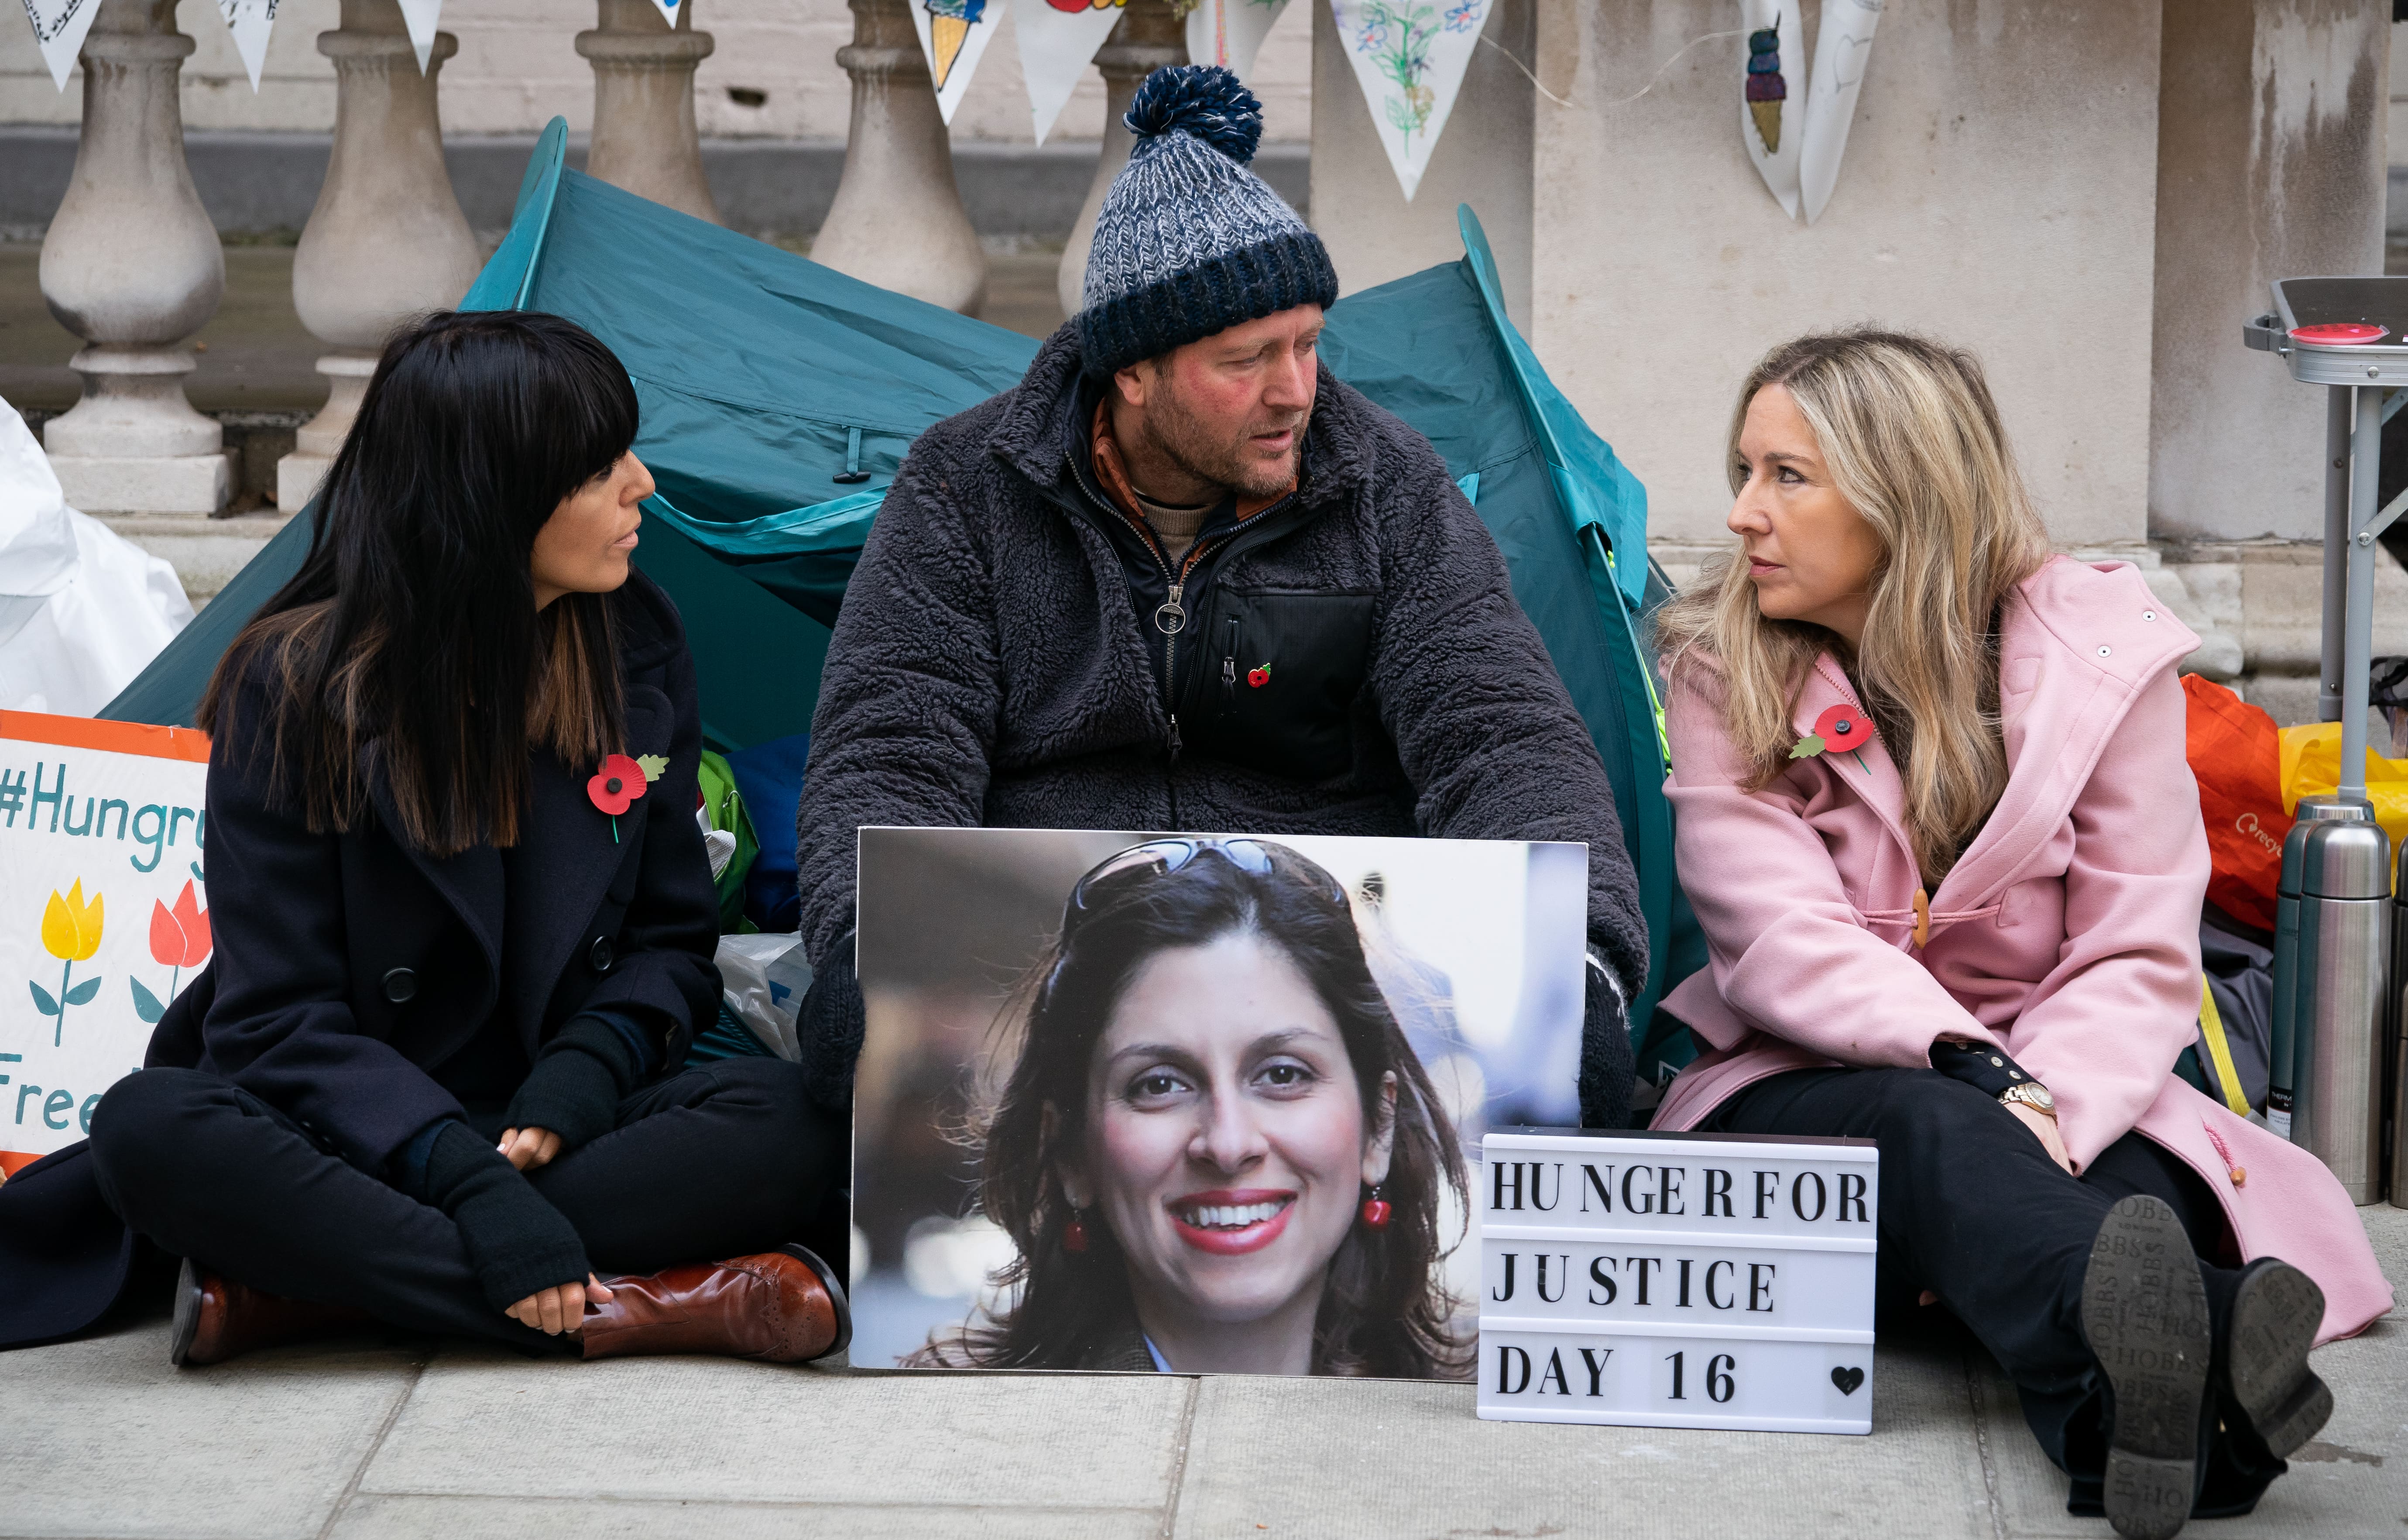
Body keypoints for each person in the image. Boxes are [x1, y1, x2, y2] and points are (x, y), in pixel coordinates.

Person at [791, 65, 1645, 1132]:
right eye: (1245, 360)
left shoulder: (1389, 485)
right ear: (1131, 373)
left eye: (1308, 342)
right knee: (778, 1137)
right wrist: (867, 944)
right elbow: (891, 746)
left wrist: (1582, 967)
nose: (1296, 390)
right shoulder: (966, 486)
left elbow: (1505, 739)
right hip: (1036, 979)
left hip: (1335, 981)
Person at [1648, 328, 2391, 1540]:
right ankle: (2220, 1356)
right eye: (1744, 469)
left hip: (2070, 1078)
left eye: (1786, 476)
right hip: (1808, 1084)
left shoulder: (2103, 658)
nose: (1740, 514)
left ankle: (2135, 1433)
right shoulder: (1720, 669)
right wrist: (1973, 1063)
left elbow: (2134, 944)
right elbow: (1773, 938)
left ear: (1901, 494)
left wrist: (2040, 1094)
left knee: (2139, 1190)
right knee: (1942, 1128)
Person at [0, 311, 850, 1367]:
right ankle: (660, 1307)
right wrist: (465, 1179)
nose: (643, 486)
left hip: (553, 1112)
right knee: (150, 1129)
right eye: (598, 468)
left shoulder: (635, 640)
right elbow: (277, 1016)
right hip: (354, 1123)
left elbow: (671, 941)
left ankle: (311, 1295)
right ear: (488, 498)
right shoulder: (293, 686)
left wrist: (584, 1072)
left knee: (803, 1118)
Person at [911, 839, 1470, 1377]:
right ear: (1073, 1155)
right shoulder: (945, 1433)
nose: (1227, 1145)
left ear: (1378, 1127)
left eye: (1282, 1074)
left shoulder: (1488, 1431)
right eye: (1159, 1085)